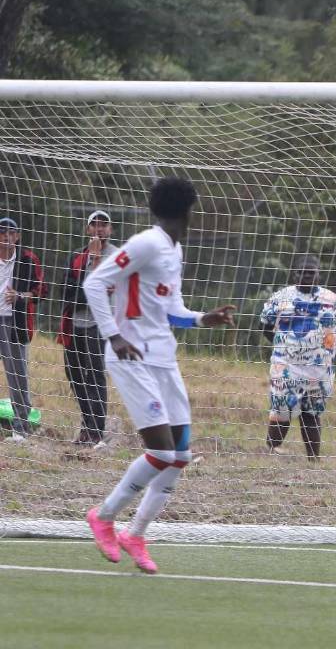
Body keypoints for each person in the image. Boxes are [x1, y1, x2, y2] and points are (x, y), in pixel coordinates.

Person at [83, 177, 235, 574]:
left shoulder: (173, 248)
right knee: (162, 451)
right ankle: (103, 515)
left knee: (180, 455)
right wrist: (113, 336)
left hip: (163, 358)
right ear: (189, 208)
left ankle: (136, 534)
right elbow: (94, 283)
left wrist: (204, 319)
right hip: (132, 357)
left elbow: (172, 310)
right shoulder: (146, 242)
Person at [260, 255, 336, 460]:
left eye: (311, 272)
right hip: (286, 365)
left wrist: (326, 348)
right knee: (282, 409)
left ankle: (313, 459)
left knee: (312, 413)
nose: (307, 276)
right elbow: (264, 326)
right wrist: (286, 345)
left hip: (319, 368)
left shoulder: (334, 299)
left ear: (319, 274)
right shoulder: (280, 297)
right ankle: (271, 449)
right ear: (295, 274)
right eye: (302, 272)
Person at [58, 210, 117, 446]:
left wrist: (95, 261)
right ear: (87, 230)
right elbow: (68, 292)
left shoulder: (117, 256)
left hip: (100, 324)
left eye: (104, 225)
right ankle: (87, 423)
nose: (99, 229)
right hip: (75, 323)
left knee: (95, 376)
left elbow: (104, 289)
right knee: (74, 374)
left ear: (110, 230)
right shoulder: (76, 256)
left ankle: (96, 431)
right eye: (94, 225)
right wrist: (91, 291)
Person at [0, 216, 46, 442]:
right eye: (2, 232)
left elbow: (41, 292)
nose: (7, 237)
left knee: (17, 376)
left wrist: (18, 296)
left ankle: (21, 428)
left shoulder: (29, 259)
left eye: (11, 232)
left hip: (14, 323)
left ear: (18, 236)